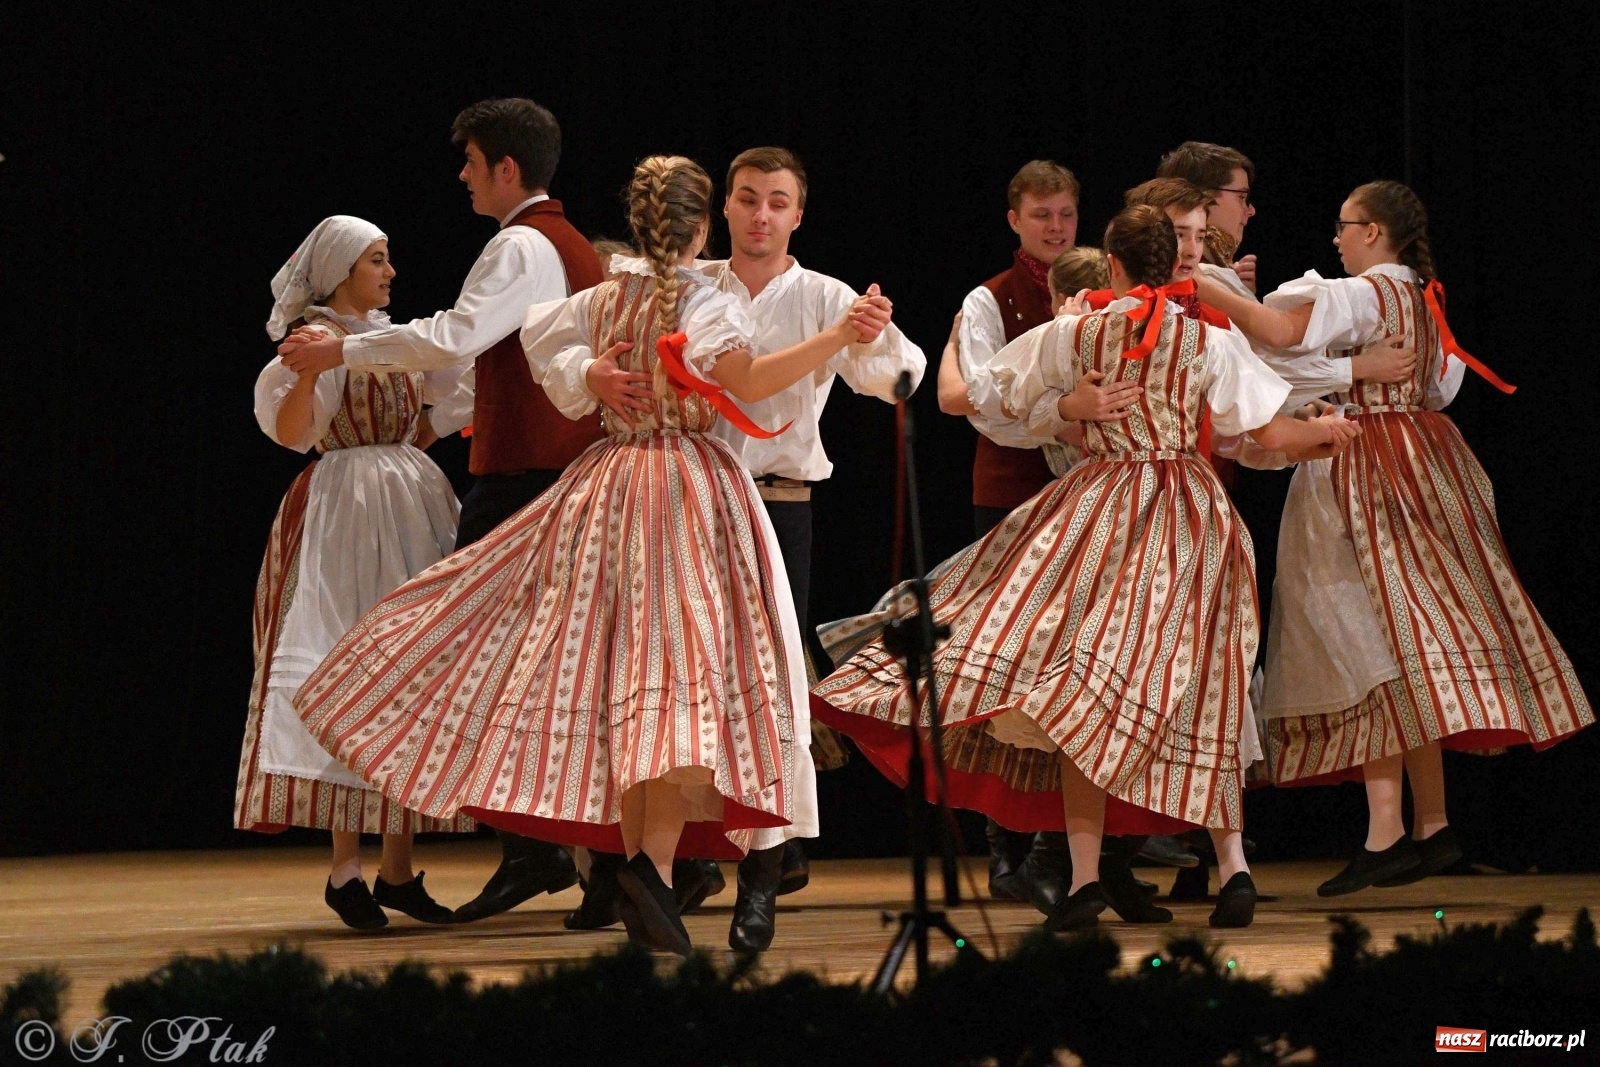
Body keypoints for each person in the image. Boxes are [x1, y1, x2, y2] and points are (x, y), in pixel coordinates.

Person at [291, 155, 884, 955]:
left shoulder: (607, 297)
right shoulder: (701, 303)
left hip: (611, 487)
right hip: (686, 492)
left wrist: (591, 372)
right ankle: (650, 869)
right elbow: (746, 380)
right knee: (681, 684)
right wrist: (836, 339)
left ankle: (647, 867)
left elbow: (546, 346)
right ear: (703, 229)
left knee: (636, 680)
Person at [815, 204, 1361, 931]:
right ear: (1173, 264)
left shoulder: (1078, 328)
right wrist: (1320, 435)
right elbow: (1261, 430)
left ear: (1113, 263)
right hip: (1190, 513)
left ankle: (1082, 877)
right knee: (1205, 687)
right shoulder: (1206, 337)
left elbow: (986, 391)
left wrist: (1052, 401)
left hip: (1104, 505)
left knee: (1080, 694)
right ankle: (1234, 869)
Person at [559, 147, 923, 949]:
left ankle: (757, 877)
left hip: (772, 509)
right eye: (749, 198)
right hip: (678, 503)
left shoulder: (822, 293)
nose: (762, 214)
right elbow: (565, 340)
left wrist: (869, 332)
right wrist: (590, 372)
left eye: (778, 201)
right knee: (675, 685)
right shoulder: (683, 283)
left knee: (767, 691)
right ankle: (672, 861)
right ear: (720, 209)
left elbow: (899, 376)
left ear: (799, 213)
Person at [1195, 180, 1594, 896]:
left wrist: (1204, 286)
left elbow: (1280, 334)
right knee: (1407, 634)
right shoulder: (1420, 292)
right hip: (1427, 455)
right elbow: (1441, 388)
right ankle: (1431, 823)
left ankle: (1385, 833)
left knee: (1362, 634)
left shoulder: (1365, 290)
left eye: (1346, 227)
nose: (1337, 239)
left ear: (1375, 232)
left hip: (1366, 459)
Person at [280, 97, 605, 923]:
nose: (460, 176)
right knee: (539, 665)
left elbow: (455, 338)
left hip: (530, 474)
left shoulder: (523, 243)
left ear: (505, 167)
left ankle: (541, 849)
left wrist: (345, 348)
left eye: (469, 162)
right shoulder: (561, 244)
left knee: (482, 660)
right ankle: (580, 856)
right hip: (546, 469)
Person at [235, 216, 474, 929]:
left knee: (410, 673)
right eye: (377, 260)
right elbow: (291, 432)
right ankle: (347, 868)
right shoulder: (315, 341)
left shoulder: (389, 338)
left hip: (410, 496)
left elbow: (440, 406)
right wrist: (313, 369)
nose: (390, 272)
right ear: (341, 271)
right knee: (344, 661)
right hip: (343, 503)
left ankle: (397, 868)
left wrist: (408, 447)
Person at [935, 159, 1081, 907]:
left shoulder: (1098, 291)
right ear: (1014, 219)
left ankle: (1059, 842)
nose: (1055, 227)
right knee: (996, 664)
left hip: (1086, 503)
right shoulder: (990, 297)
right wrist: (1060, 408)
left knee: (1066, 671)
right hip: (1008, 498)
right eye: (1042, 215)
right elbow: (980, 404)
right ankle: (1001, 840)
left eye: (1065, 214)